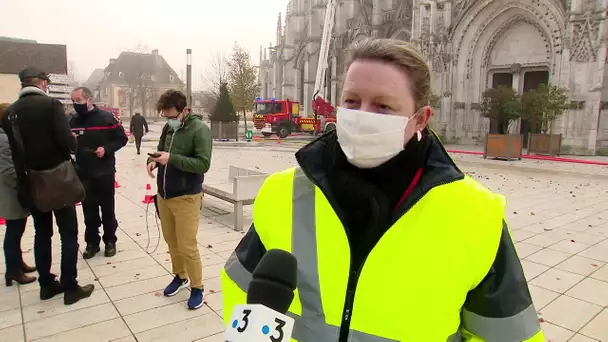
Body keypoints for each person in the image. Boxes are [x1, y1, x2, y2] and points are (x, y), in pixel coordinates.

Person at [221, 39, 544, 341]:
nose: (362, 116)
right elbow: (241, 288)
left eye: (383, 106)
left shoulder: (475, 214)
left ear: (420, 119)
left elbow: (506, 332)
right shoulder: (283, 192)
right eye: (351, 101)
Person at [2, 67, 94, 305]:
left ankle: (46, 285)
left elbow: (15, 153)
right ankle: (70, 286)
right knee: (68, 234)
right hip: (58, 180)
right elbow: (67, 141)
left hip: (32, 182)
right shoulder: (51, 106)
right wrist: (75, 143)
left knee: (42, 234)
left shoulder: (10, 112)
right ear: (42, 83)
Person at [146, 90, 212, 310]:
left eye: (173, 117)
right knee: (171, 241)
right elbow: (163, 151)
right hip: (164, 194)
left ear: (185, 110)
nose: (170, 121)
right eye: (166, 117)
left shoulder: (200, 130)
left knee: (187, 244)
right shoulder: (168, 128)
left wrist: (171, 159)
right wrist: (154, 160)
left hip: (186, 196)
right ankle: (180, 276)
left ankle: (198, 287)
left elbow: (203, 164)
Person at [69, 87, 128, 259]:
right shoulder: (73, 122)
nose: (75, 104)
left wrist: (106, 148)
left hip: (104, 172)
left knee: (107, 209)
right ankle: (92, 243)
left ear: (89, 99)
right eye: (73, 101)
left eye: (78, 100)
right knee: (89, 210)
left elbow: (122, 138)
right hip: (84, 173)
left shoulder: (106, 118)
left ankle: (110, 241)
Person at [0, 103, 36, 286]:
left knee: (17, 230)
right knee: (14, 231)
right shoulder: (4, 140)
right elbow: (8, 171)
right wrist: (24, 184)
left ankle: (17, 264)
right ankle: (13, 270)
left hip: (11, 192)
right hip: (10, 193)